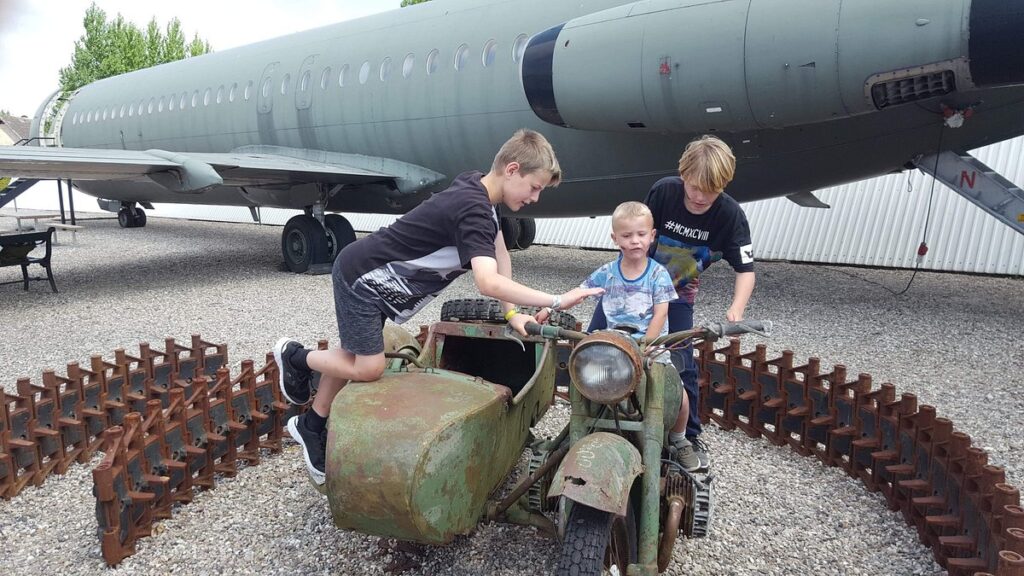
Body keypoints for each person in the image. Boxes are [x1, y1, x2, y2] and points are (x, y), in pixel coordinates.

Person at [273, 129, 604, 486]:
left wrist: (511, 313)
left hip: (378, 281)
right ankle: (295, 357)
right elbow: (487, 280)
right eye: (534, 187)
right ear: (512, 170)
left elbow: (501, 254)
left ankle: (312, 424)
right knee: (369, 367)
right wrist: (556, 300)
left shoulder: (478, 189)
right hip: (364, 279)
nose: (535, 198)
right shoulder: (475, 210)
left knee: (352, 352)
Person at [588, 135, 755, 471]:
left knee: (682, 363)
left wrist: (737, 307)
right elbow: (639, 235)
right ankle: (591, 415)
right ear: (683, 176)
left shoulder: (730, 216)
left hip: (678, 295)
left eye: (709, 190)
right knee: (594, 344)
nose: (698, 196)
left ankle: (687, 436)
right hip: (630, 284)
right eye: (692, 187)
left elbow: (746, 269)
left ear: (724, 184)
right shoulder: (664, 192)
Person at [579, 201, 701, 471]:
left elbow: (660, 314)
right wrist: (551, 308)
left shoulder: (658, 275)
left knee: (678, 395)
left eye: (641, 234)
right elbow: (581, 291)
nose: (635, 241)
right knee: (587, 386)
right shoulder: (607, 273)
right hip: (615, 350)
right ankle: (585, 433)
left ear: (652, 236)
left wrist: (647, 345)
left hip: (651, 350)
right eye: (627, 235)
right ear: (615, 238)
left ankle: (680, 439)